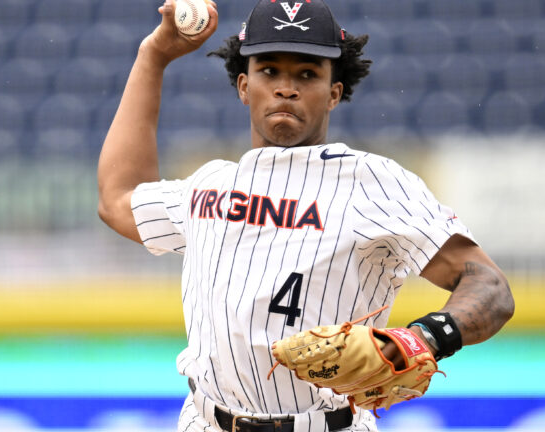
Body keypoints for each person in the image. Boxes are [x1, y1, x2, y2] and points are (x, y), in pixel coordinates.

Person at [97, 0, 514, 431]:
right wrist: (154, 56)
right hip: (204, 421)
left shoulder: (374, 182)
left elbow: (490, 286)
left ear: (334, 92)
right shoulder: (210, 186)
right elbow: (118, 199)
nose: (286, 87)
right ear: (244, 86)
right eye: (269, 70)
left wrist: (422, 337)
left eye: (307, 74)